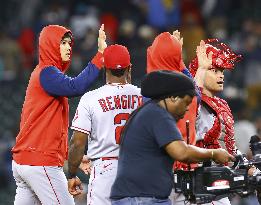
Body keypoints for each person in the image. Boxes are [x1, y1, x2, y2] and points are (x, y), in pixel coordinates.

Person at [11, 24, 107, 205]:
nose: (68, 47)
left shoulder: (46, 74)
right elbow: (76, 86)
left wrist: (70, 157)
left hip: (25, 162)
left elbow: (50, 129)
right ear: (49, 44)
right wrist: (100, 55)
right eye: (62, 43)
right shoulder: (47, 72)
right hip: (40, 162)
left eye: (69, 43)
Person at [110, 70, 235, 205]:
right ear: (173, 98)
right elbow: (181, 152)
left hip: (137, 196)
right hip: (142, 198)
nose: (187, 108)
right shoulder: (158, 115)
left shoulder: (147, 111)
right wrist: (213, 153)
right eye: (186, 102)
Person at [67, 44, 143, 205]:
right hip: (138, 169)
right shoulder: (143, 96)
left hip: (105, 171)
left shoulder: (91, 98)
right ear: (129, 67)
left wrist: (72, 174)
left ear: (104, 68)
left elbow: (77, 143)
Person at [173, 39, 244, 205]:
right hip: (197, 187)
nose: (221, 75)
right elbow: (189, 107)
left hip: (219, 185)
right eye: (215, 70)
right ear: (201, 72)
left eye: (222, 71)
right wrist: (200, 72)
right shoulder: (192, 103)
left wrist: (245, 164)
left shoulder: (222, 103)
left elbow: (228, 145)